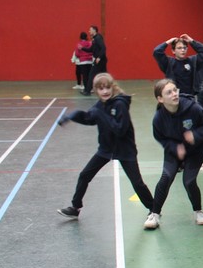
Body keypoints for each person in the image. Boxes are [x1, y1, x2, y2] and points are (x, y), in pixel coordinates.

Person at [56, 73, 155, 220]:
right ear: (96, 90)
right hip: (106, 149)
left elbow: (120, 130)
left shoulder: (120, 104)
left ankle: (154, 209)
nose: (105, 91)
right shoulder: (100, 105)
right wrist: (72, 116)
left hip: (125, 150)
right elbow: (90, 118)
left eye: (107, 88)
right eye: (101, 89)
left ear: (112, 87)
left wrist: (101, 115)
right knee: (84, 175)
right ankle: (75, 207)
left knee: (137, 183)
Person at [148, 78, 203, 228]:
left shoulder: (193, 108)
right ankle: (154, 214)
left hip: (196, 150)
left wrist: (195, 135)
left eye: (175, 90)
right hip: (174, 151)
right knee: (166, 177)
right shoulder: (159, 118)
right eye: (169, 92)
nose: (174, 94)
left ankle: (198, 211)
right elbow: (160, 138)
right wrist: (174, 147)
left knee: (189, 181)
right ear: (160, 99)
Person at [84, 25, 107, 95]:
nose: (89, 31)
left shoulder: (98, 38)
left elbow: (103, 48)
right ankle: (110, 88)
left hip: (100, 60)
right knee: (104, 75)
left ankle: (87, 91)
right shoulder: (94, 39)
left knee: (92, 74)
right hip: (101, 60)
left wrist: (99, 57)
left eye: (90, 30)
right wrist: (82, 48)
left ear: (94, 30)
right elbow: (91, 49)